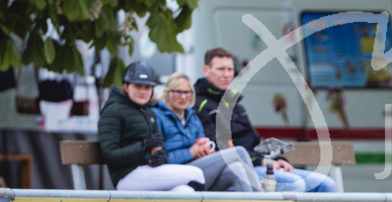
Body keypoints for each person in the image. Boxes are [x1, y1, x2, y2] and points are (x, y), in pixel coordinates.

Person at [193, 48, 337, 192]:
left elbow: (255, 145)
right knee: (295, 184)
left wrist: (277, 160)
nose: (226, 75)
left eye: (230, 69)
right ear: (207, 70)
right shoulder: (200, 105)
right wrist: (262, 161)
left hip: (259, 165)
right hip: (237, 172)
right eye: (220, 69)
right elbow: (220, 150)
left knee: (327, 185)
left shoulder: (236, 106)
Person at [98, 61, 205, 192]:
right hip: (126, 176)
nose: (143, 92)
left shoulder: (148, 111)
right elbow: (109, 155)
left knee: (184, 191)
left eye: (147, 87)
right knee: (196, 174)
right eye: (138, 86)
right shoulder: (113, 110)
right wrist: (143, 147)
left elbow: (160, 148)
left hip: (148, 170)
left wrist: (161, 158)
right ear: (126, 87)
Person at [154, 72, 263, 192]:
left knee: (237, 169)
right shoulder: (157, 116)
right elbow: (158, 159)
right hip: (174, 174)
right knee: (239, 152)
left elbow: (200, 145)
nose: (183, 97)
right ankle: (261, 199)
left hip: (197, 170)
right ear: (167, 93)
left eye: (187, 92)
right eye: (178, 92)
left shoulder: (192, 117)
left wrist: (205, 150)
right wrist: (191, 152)